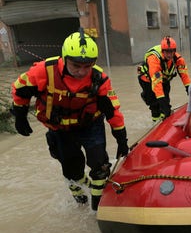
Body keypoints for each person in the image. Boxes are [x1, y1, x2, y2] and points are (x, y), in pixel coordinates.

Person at [10, 29, 129, 210]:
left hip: (90, 126)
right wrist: (20, 115)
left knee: (100, 165)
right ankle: (79, 193)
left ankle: (98, 208)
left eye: (87, 66)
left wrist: (122, 138)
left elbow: (112, 112)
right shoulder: (44, 71)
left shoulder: (99, 79)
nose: (82, 71)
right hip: (60, 129)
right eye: (76, 65)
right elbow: (20, 89)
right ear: (64, 58)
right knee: (72, 169)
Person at [138, 36, 191, 122]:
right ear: (163, 51)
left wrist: (190, 91)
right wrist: (162, 102)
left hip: (164, 80)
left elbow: (185, 76)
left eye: (172, 51)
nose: (170, 54)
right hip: (148, 81)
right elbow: (156, 83)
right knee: (155, 105)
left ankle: (164, 118)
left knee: (166, 102)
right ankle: (155, 122)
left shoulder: (178, 59)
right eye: (167, 52)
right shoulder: (154, 59)